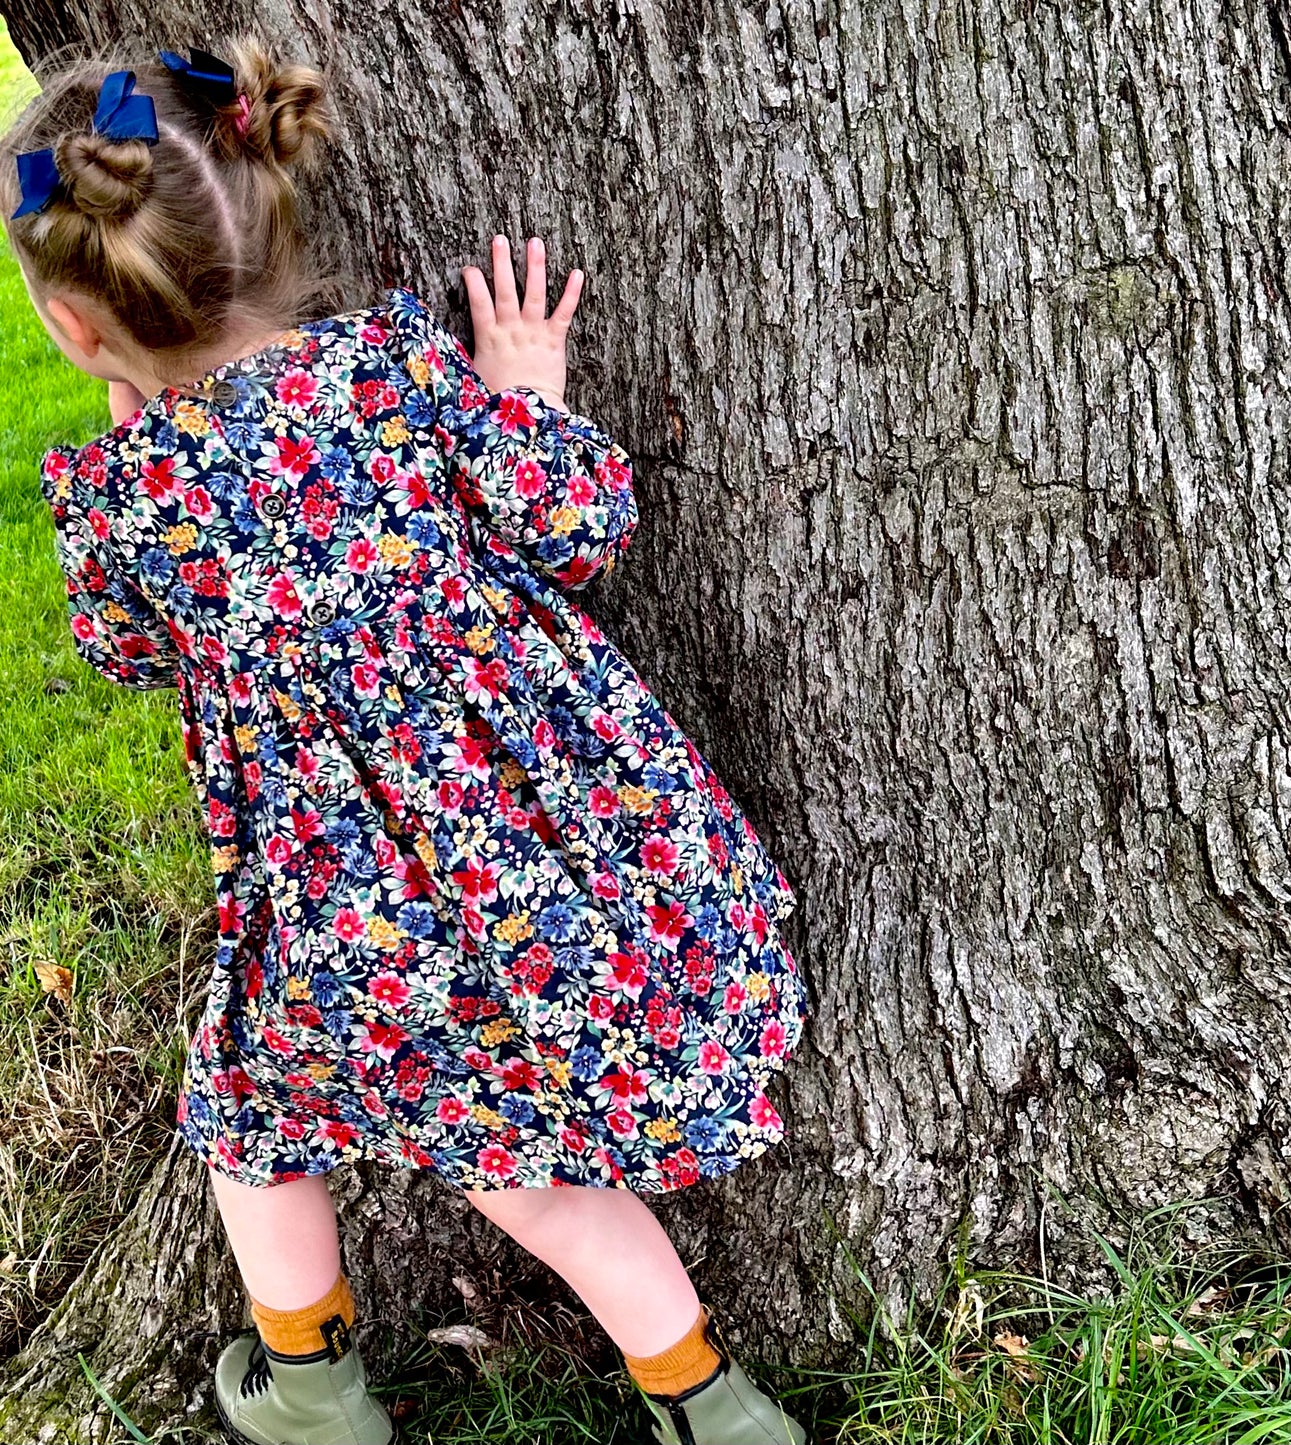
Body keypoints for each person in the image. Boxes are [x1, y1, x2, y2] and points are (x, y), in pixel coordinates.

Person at [2, 37, 809, 1445]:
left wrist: (133, 451)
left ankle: (313, 1388)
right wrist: (523, 390)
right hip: (538, 862)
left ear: (77, 328)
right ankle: (712, 1408)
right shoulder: (392, 372)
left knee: (249, 1111)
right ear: (274, 205)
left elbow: (128, 651)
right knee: (537, 1175)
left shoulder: (122, 503)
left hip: (340, 928)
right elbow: (572, 527)